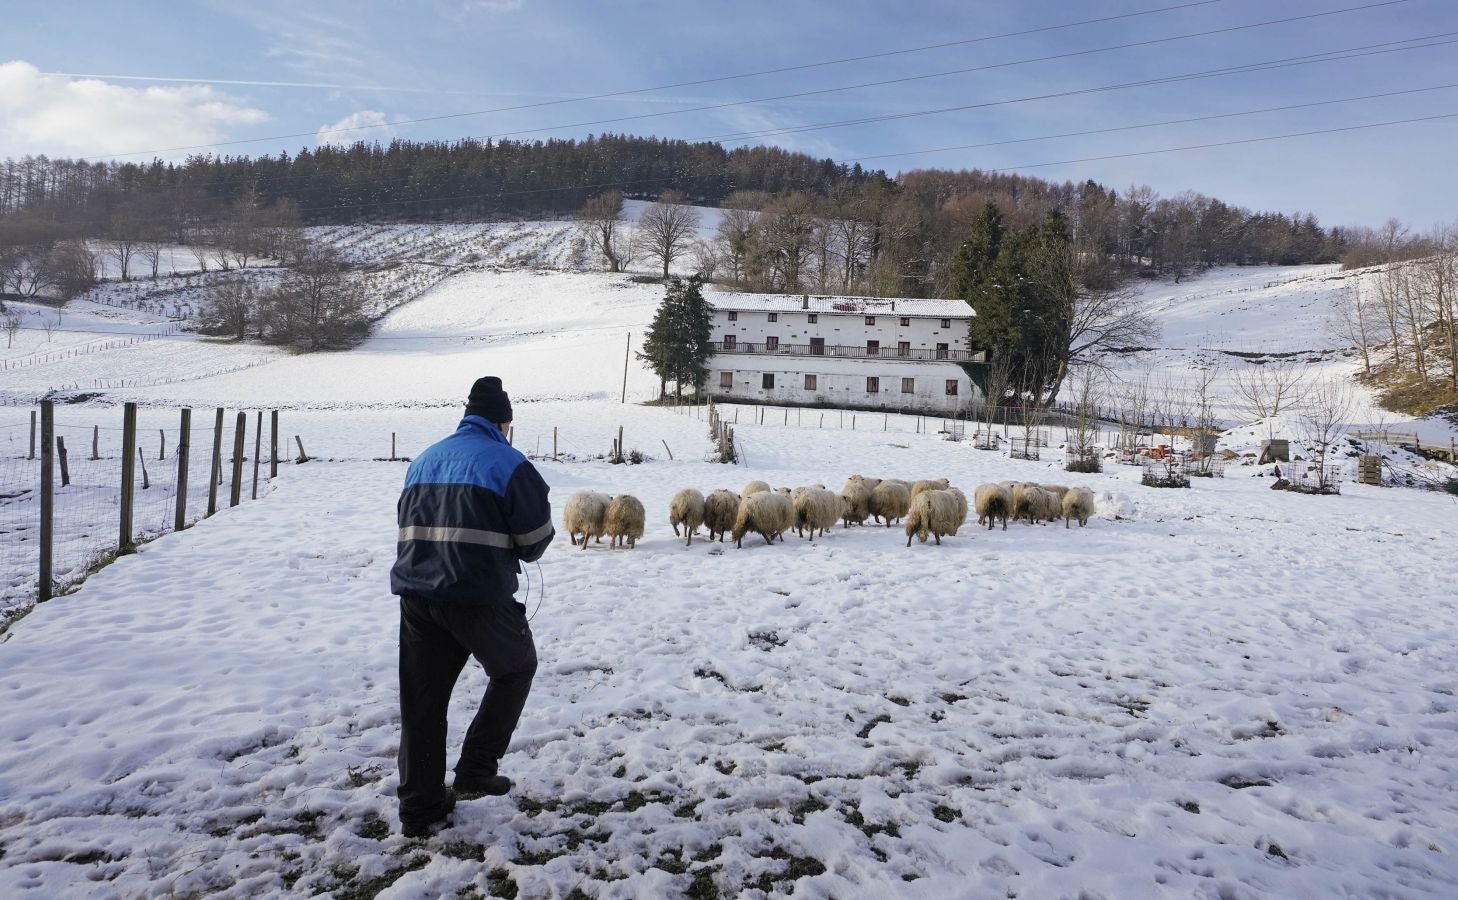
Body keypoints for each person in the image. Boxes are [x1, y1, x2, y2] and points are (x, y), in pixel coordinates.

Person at [390, 376, 555, 838]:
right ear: (504, 422)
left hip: (418, 599)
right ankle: (476, 768)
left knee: (422, 703)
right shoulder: (508, 463)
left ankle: (420, 809)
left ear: (467, 416)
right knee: (515, 668)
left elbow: (408, 521)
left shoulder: (424, 459)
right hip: (477, 597)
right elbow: (535, 540)